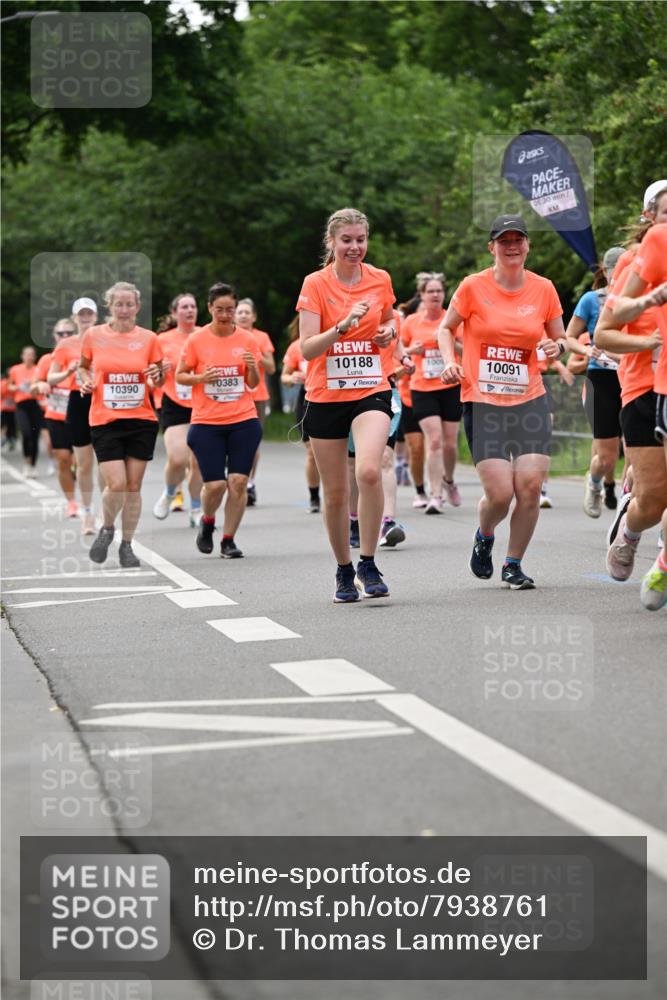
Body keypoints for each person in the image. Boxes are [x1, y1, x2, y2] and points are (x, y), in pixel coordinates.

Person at [437, 214, 566, 590]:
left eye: (518, 240)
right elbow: (446, 328)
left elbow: (561, 338)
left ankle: (513, 564)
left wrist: (555, 347)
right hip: (483, 402)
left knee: (529, 488)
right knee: (500, 494)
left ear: (528, 245)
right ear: (491, 247)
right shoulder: (473, 286)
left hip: (529, 400)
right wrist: (449, 361)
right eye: (504, 241)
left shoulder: (543, 288)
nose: (512, 246)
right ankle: (485, 534)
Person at [297, 206, 396, 602]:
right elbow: (307, 348)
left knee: (369, 471)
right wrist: (341, 327)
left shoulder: (380, 278)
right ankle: (343, 569)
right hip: (325, 395)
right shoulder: (315, 284)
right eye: (347, 240)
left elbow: (391, 320)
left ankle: (368, 562)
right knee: (336, 491)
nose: (355, 247)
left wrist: (388, 333)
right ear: (332, 242)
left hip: (371, 387)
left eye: (361, 240)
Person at [595, 185, 667, 598]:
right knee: (654, 499)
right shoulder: (633, 262)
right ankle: (631, 529)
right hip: (642, 387)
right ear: (648, 217)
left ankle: (663, 564)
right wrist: (649, 342)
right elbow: (604, 334)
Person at [77, 282, 164, 568]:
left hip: (141, 419)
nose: (124, 309)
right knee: (117, 484)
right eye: (119, 304)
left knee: (134, 485)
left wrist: (157, 375)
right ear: (110, 306)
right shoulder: (94, 335)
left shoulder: (149, 338)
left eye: (129, 304)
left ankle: (127, 545)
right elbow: (82, 366)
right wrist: (85, 381)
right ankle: (107, 527)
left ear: (137, 307)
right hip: (106, 420)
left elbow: (159, 378)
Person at [176, 282, 263, 558]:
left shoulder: (247, 339)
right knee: (215, 485)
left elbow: (253, 383)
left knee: (238, 482)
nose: (225, 315)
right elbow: (180, 375)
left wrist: (252, 367)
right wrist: (201, 378)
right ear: (210, 308)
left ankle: (228, 540)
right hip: (207, 422)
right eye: (219, 309)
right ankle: (208, 521)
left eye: (230, 309)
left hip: (243, 419)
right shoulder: (197, 340)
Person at [564, 247, 625, 517]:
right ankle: (595, 481)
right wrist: (587, 350)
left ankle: (629, 499)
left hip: (634, 376)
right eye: (617, 272)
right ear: (607, 272)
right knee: (608, 456)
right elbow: (569, 337)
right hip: (602, 378)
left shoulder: (641, 299)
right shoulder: (592, 300)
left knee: (635, 447)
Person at [401, 272, 462, 513]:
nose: (435, 295)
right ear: (422, 295)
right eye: (431, 291)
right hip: (422, 387)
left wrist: (447, 341)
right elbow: (398, 351)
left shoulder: (453, 318)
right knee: (434, 440)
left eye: (439, 291)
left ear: (444, 294)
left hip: (450, 385)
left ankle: (449, 481)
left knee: (450, 444)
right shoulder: (411, 322)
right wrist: (411, 350)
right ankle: (436, 495)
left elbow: (468, 349)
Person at [152, 293, 204, 527]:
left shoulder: (206, 335)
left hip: (203, 403)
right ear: (174, 313)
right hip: (174, 403)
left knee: (198, 462)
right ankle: (170, 492)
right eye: (184, 307)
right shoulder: (162, 340)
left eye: (193, 306)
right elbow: (155, 383)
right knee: (178, 458)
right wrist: (160, 372)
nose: (190, 310)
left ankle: (196, 508)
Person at [50, 297, 99, 534]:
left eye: (89, 313)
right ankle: (87, 513)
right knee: (84, 463)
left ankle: (108, 511)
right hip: (78, 403)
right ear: (74, 318)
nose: (85, 317)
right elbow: (50, 377)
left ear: (96, 317)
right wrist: (67, 373)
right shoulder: (65, 345)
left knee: (108, 463)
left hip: (103, 401)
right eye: (81, 314)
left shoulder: (106, 340)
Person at [33, 318, 79, 516]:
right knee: (62, 460)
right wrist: (40, 385)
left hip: (79, 416)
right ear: (54, 336)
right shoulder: (47, 360)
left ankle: (76, 478)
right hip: (56, 416)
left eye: (69, 333)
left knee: (79, 461)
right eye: (61, 333)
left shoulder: (82, 357)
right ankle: (71, 502)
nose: (65, 337)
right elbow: (33, 387)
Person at [234, 297, 276, 506]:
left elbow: (272, 368)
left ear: (254, 317)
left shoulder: (261, 337)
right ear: (234, 316)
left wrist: (256, 356)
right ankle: (235, 476)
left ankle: (249, 482)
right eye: (240, 312)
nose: (243, 315)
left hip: (257, 397)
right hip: (232, 397)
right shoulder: (229, 336)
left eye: (247, 312)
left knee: (252, 443)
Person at [281, 317, 321, 513]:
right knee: (312, 452)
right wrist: (292, 377)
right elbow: (284, 377)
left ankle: (340, 494)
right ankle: (314, 496)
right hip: (307, 400)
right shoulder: (296, 347)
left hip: (334, 398)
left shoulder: (334, 338)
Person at [8, 345, 41, 477]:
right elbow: (9, 386)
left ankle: (33, 465)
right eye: (27, 354)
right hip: (21, 405)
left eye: (32, 354)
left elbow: (43, 385)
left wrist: (35, 387)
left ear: (35, 356)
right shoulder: (15, 369)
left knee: (35, 436)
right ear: (22, 356)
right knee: (27, 433)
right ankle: (26, 463)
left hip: (35, 404)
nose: (30, 357)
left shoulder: (38, 370)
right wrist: (18, 387)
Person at [1, 371, 17, 452]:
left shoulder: (14, 383)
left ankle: (10, 439)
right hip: (4, 408)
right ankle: (4, 438)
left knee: (11, 426)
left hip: (12, 409)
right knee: (4, 425)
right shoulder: (3, 383)